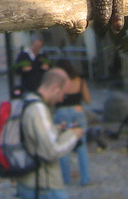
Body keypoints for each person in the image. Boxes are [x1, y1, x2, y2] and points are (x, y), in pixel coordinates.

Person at [18, 67, 84, 199]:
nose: (61, 100)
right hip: (44, 185)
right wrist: (73, 134)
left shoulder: (28, 102)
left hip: (29, 182)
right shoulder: (39, 110)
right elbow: (51, 151)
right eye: (62, 94)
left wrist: (56, 129)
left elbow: (35, 138)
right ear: (55, 87)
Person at [53, 59, 91, 186]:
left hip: (62, 113)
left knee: (64, 146)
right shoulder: (80, 80)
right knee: (82, 146)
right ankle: (86, 178)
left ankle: (65, 178)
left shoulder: (58, 83)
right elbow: (88, 100)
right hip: (77, 111)